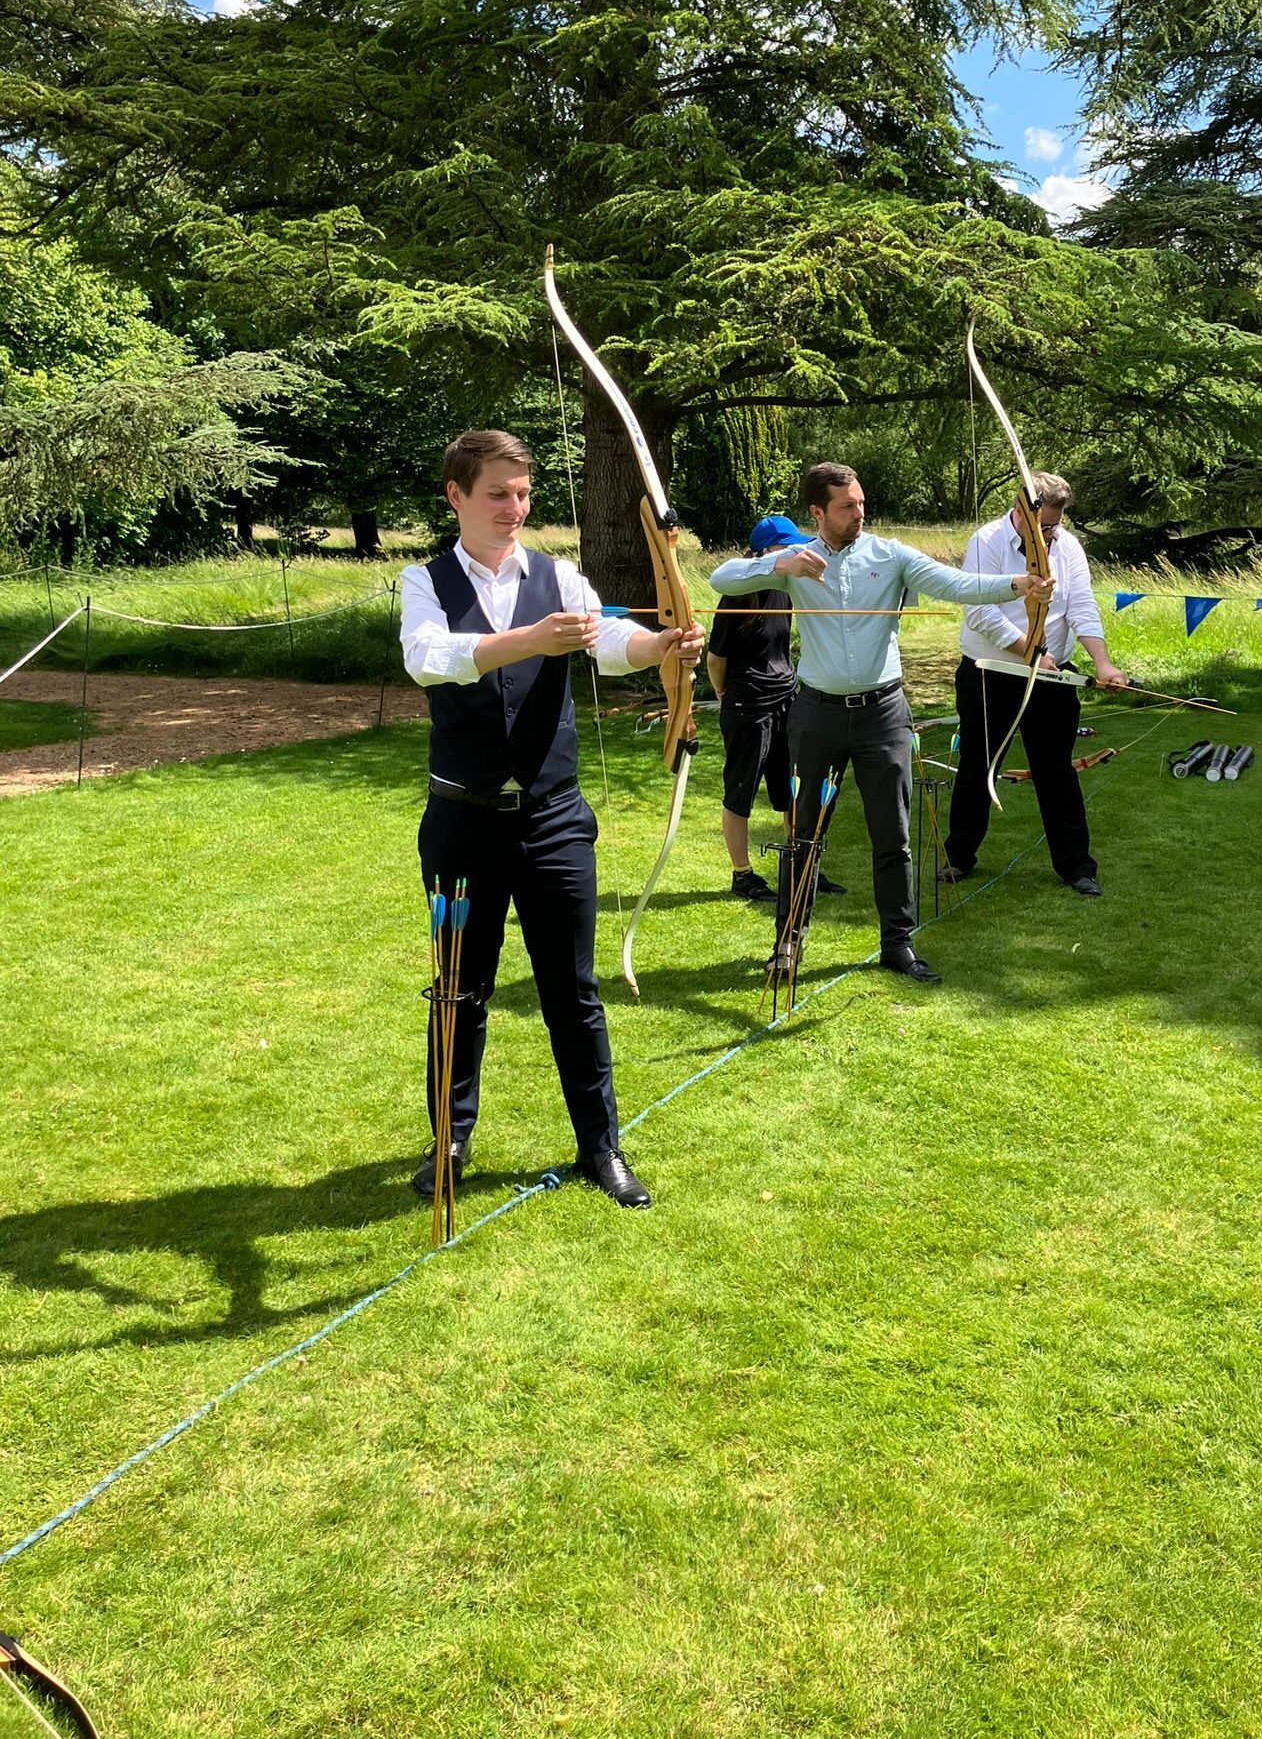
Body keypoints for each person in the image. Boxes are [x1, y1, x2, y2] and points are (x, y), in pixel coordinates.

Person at [399, 429, 704, 1209]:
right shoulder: (424, 581)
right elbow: (429, 657)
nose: (515, 507)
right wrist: (529, 640)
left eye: (524, 493)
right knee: (460, 989)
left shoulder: (558, 574)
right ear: (456, 496)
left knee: (573, 990)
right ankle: (452, 1140)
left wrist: (663, 646)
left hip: (554, 821)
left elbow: (607, 639)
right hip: (463, 822)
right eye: (497, 492)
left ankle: (600, 1147)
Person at [708, 463, 1053, 983]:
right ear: (817, 512)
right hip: (816, 713)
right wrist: (784, 564)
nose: (859, 513)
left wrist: (1020, 583)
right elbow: (722, 577)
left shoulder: (888, 554)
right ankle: (788, 944)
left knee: (893, 835)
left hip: (883, 714)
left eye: (861, 503)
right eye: (847, 507)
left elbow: (955, 584)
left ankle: (898, 943)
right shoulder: (799, 559)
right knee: (803, 835)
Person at [942, 471, 1127, 897]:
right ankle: (959, 857)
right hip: (991, 672)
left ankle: (1076, 867)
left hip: (1051, 673)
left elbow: (1081, 605)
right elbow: (979, 612)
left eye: (1055, 525)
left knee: (1056, 770)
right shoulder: (986, 541)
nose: (1049, 534)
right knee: (978, 766)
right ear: (1021, 509)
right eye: (1042, 524)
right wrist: (1031, 651)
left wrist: (1102, 663)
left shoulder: (1068, 547)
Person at [706, 514, 842, 905]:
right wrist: (722, 690)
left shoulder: (786, 586)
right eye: (789, 546)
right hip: (747, 704)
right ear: (766, 552)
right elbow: (716, 657)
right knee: (741, 790)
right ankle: (742, 875)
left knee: (793, 789)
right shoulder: (738, 592)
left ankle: (801, 866)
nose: (800, 552)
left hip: (787, 697)